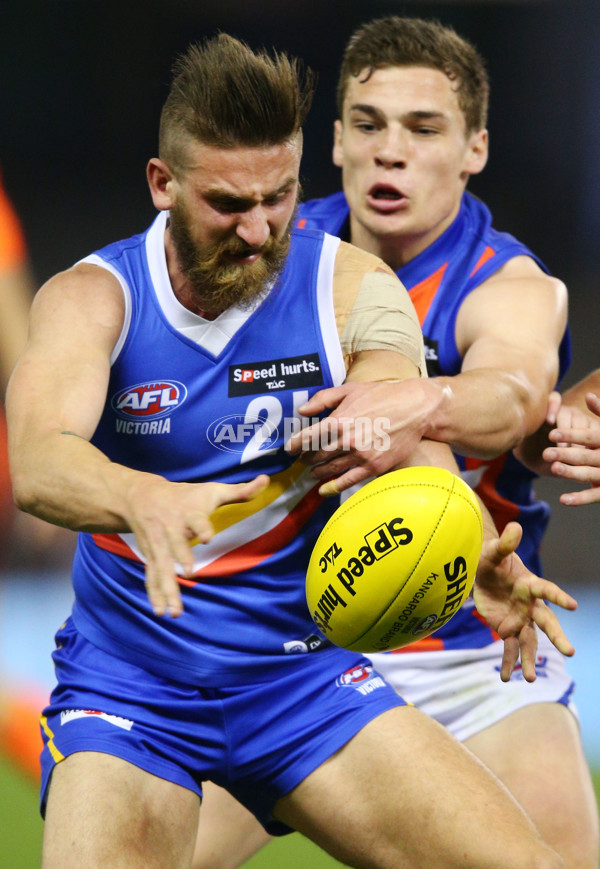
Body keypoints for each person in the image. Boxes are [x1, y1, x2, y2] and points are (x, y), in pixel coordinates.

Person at [6, 33, 577, 869]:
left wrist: (463, 538)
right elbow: (41, 458)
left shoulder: (350, 287)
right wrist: (140, 496)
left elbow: (395, 430)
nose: (259, 228)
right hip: (135, 686)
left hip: (300, 680)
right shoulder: (96, 298)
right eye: (229, 205)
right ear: (163, 185)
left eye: (279, 197)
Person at [192, 18, 599, 869]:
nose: (391, 152)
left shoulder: (508, 284)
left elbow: (511, 394)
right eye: (369, 124)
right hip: (282, 650)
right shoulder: (265, 256)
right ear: (334, 141)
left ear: (475, 148)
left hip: (472, 647)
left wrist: (421, 401)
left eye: (423, 129)